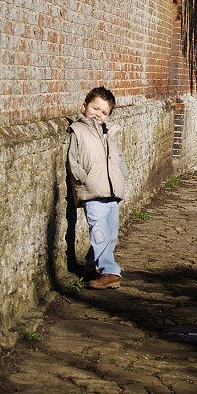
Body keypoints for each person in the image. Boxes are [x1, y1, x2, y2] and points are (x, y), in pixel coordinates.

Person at [67, 86, 128, 290]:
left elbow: (118, 156)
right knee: (99, 231)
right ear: (84, 106)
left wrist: (122, 173)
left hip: (112, 191)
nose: (98, 115)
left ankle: (92, 267)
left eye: (104, 112)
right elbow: (73, 161)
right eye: (95, 108)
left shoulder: (109, 132)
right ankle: (110, 272)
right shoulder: (79, 130)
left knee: (109, 234)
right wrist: (83, 178)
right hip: (92, 190)